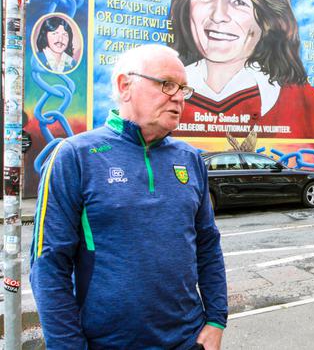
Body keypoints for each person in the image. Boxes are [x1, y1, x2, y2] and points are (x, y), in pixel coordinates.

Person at [30, 44, 227, 349]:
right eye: (166, 84)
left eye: (183, 89)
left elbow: (207, 244)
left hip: (189, 340)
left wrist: (216, 320)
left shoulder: (190, 159)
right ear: (125, 86)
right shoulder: (75, 156)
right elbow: (49, 265)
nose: (178, 97)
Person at [169, 0, 314, 139]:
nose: (218, 15)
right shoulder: (163, 96)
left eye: (238, 1)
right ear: (186, 6)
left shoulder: (305, 103)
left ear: (264, 17)